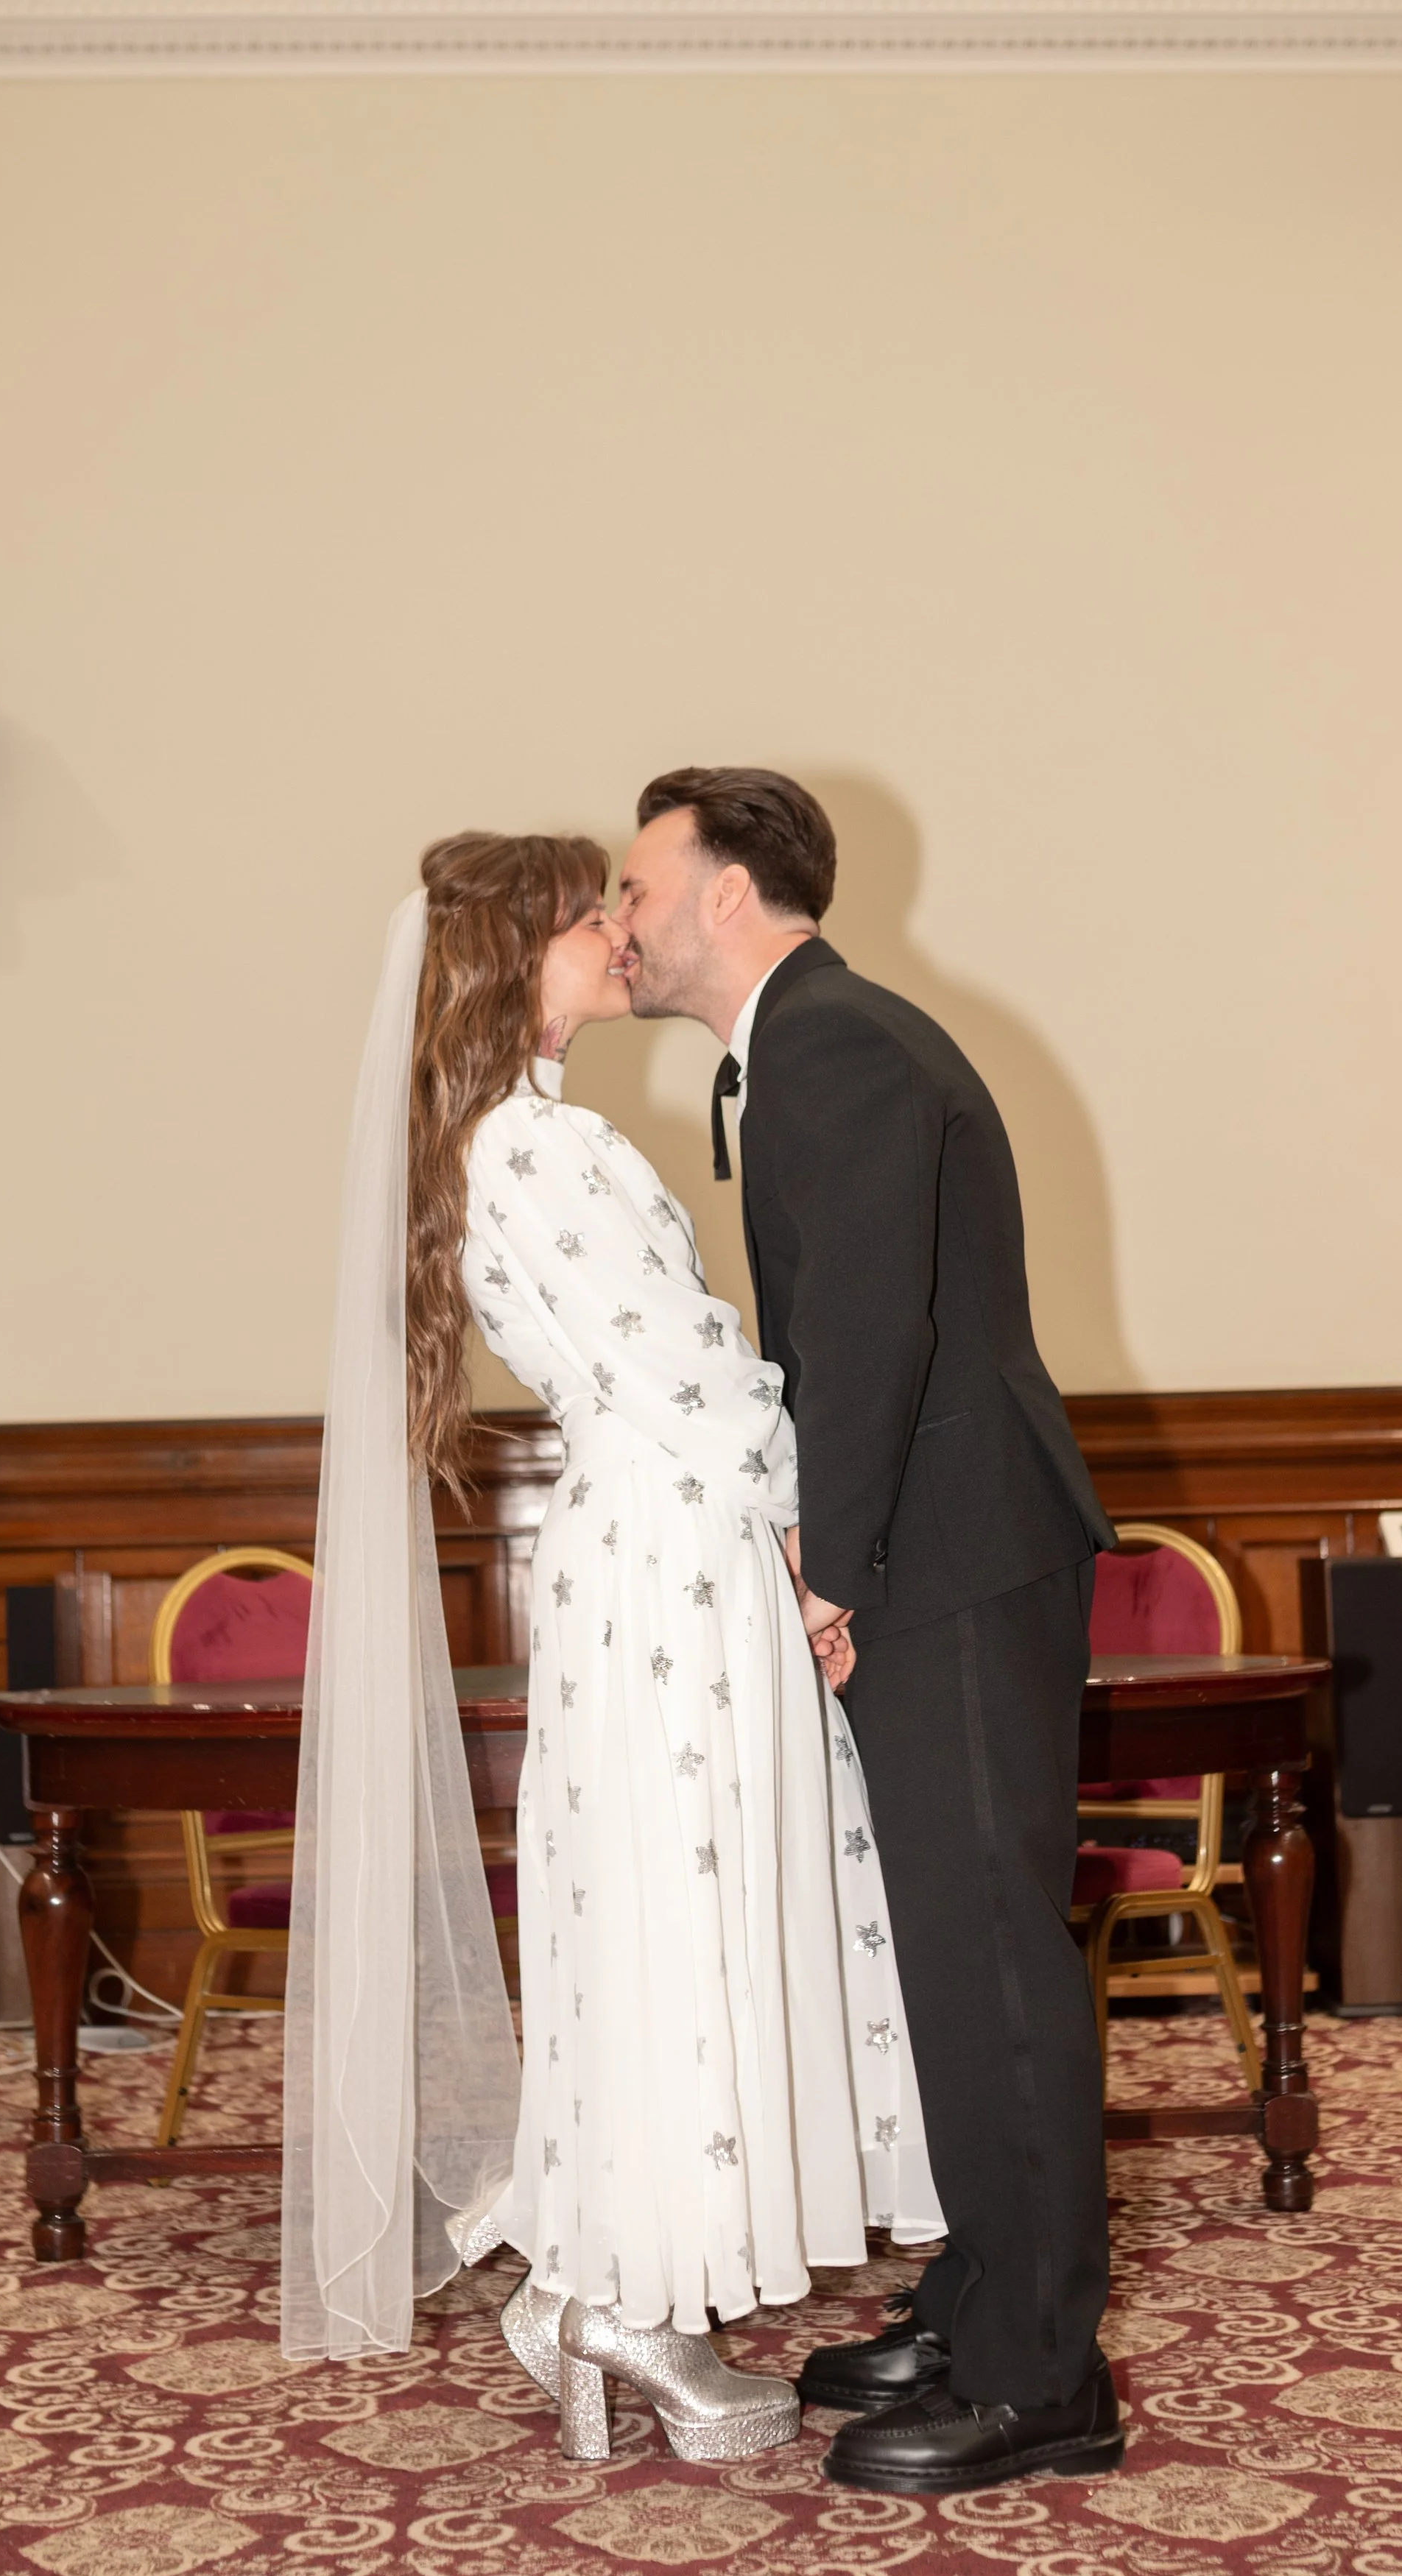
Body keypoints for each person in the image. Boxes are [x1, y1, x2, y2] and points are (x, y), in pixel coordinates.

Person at [282, 829, 943, 2467]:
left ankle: (601, 2287)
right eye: (587, 918)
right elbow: (693, 1374)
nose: (612, 937)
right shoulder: (543, 1151)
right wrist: (818, 1543)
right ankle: (620, 2297)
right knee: (676, 1900)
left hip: (642, 1548)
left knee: (650, 1900)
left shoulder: (504, 1144)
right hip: (677, 1560)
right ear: (519, 958)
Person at [618, 767, 1124, 2492]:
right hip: (947, 1538)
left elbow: (865, 1329)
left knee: (987, 1958)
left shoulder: (828, 1042)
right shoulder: (815, 1038)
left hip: (950, 1551)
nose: (622, 918)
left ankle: (1042, 2379)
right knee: (953, 1948)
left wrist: (832, 1563)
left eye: (639, 884)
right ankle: (987, 2293)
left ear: (729, 893)